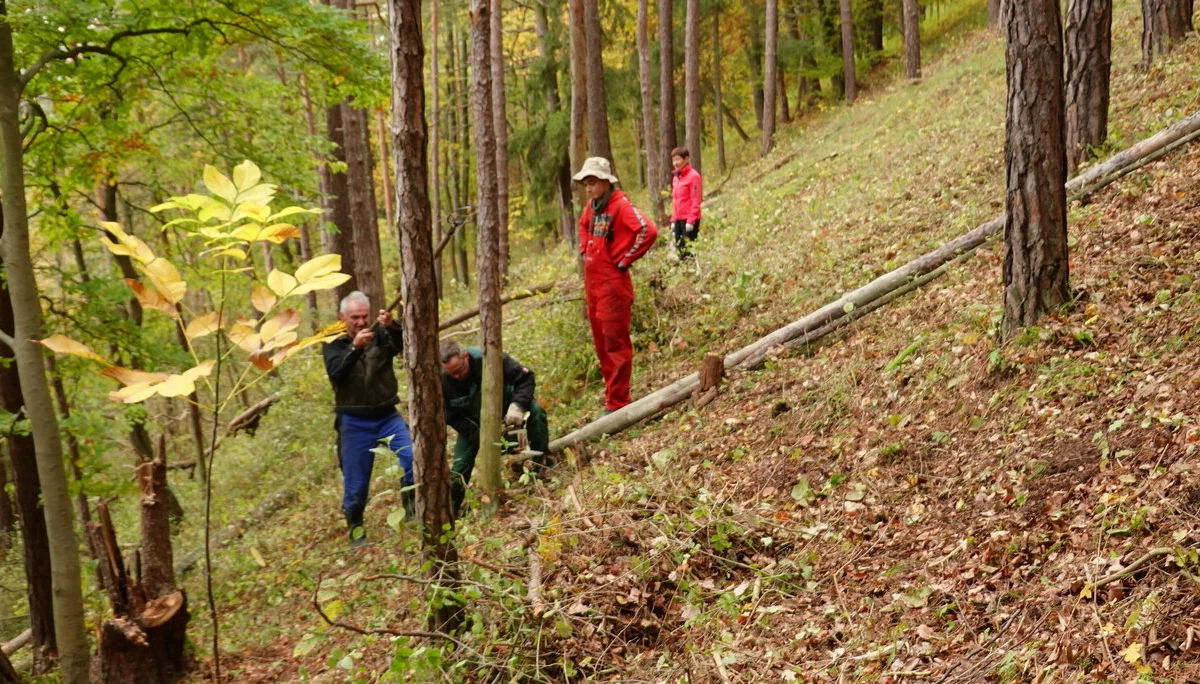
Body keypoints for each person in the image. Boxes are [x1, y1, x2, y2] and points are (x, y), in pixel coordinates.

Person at [322, 291, 414, 547]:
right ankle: (356, 530)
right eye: (355, 317)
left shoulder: (381, 333)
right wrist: (354, 348)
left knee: (412, 458)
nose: (361, 322)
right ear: (343, 317)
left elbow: (404, 345)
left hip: (387, 415)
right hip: (354, 422)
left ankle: (412, 509)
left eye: (364, 316)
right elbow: (336, 373)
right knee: (357, 484)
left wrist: (393, 326)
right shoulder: (333, 342)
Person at [572, 157, 658, 414]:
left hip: (612, 283)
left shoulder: (620, 205)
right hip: (593, 284)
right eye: (586, 183)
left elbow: (647, 230)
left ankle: (619, 403)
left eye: (593, 182)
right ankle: (612, 398)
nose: (589, 188)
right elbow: (583, 226)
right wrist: (584, 248)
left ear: (605, 182)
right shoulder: (592, 207)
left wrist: (624, 259)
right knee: (601, 343)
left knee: (615, 343)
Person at [438, 340, 552, 515]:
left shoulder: (488, 358)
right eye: (452, 373)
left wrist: (518, 406)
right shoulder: (441, 380)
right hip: (475, 423)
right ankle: (450, 511)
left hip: (506, 407)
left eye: (460, 370)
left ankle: (540, 466)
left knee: (536, 412)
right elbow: (450, 415)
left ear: (466, 356)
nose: (457, 376)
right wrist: (478, 436)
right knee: (459, 467)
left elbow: (526, 378)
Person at [669, 146, 702, 259]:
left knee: (689, 251)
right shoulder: (676, 177)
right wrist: (673, 219)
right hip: (678, 219)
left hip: (689, 220)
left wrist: (691, 221)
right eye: (673, 160)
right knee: (680, 250)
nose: (675, 163)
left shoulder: (694, 176)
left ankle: (692, 273)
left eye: (678, 159)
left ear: (686, 159)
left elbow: (696, 199)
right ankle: (685, 273)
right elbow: (676, 200)